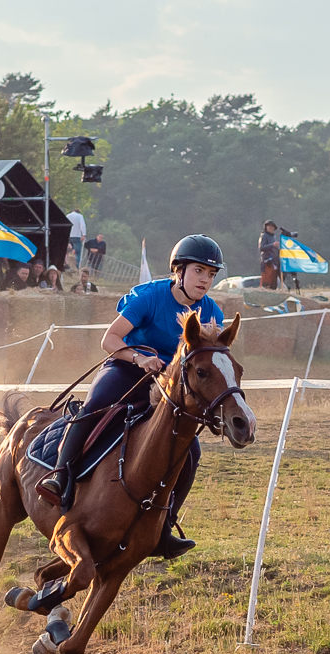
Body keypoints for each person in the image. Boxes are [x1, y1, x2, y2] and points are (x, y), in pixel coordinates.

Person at [48, 234, 226, 560]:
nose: (206, 280)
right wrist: (139, 358)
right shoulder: (150, 296)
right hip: (127, 368)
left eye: (211, 274)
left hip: (169, 387)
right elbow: (109, 338)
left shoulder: (211, 311)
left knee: (191, 450)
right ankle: (60, 476)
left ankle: (165, 527)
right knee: (93, 409)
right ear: (179, 270)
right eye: (200, 271)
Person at [258, 221, 282, 289]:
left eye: (272, 227)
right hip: (267, 261)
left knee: (273, 282)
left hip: (274, 261)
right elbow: (261, 248)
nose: (271, 228)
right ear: (266, 228)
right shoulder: (264, 236)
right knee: (266, 282)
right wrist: (272, 245)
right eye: (269, 226)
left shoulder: (273, 237)